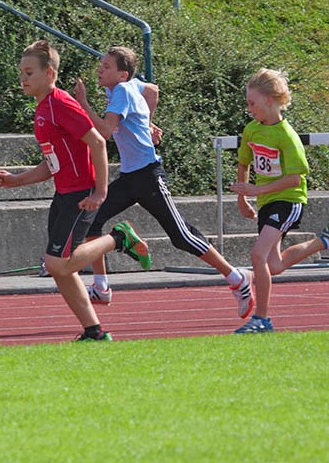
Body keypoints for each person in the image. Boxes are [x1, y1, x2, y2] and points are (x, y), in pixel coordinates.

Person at [73, 46, 255, 317]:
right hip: (130, 176)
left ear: (122, 74)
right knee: (92, 218)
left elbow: (105, 133)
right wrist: (147, 122)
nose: (100, 69)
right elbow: (153, 90)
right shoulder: (129, 85)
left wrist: (83, 103)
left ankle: (237, 278)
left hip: (148, 175)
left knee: (181, 236)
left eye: (107, 66)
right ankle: (101, 287)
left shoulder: (121, 90)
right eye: (101, 64)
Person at [0, 40, 151, 341]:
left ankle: (118, 237)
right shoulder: (43, 108)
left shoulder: (61, 103)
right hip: (63, 193)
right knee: (60, 269)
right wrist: (15, 179)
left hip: (81, 193)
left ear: (50, 73)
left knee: (58, 263)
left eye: (29, 72)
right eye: (21, 73)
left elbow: (98, 142)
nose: (23, 79)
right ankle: (93, 330)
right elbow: (50, 164)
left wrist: (101, 192)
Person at [230, 68, 325, 333]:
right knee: (274, 265)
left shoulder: (287, 136)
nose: (249, 109)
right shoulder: (252, 130)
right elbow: (243, 163)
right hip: (265, 202)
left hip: (288, 199)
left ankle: (262, 319)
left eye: (252, 103)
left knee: (257, 255)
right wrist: (242, 198)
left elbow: (294, 179)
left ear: (269, 100)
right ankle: (322, 241)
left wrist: (256, 191)